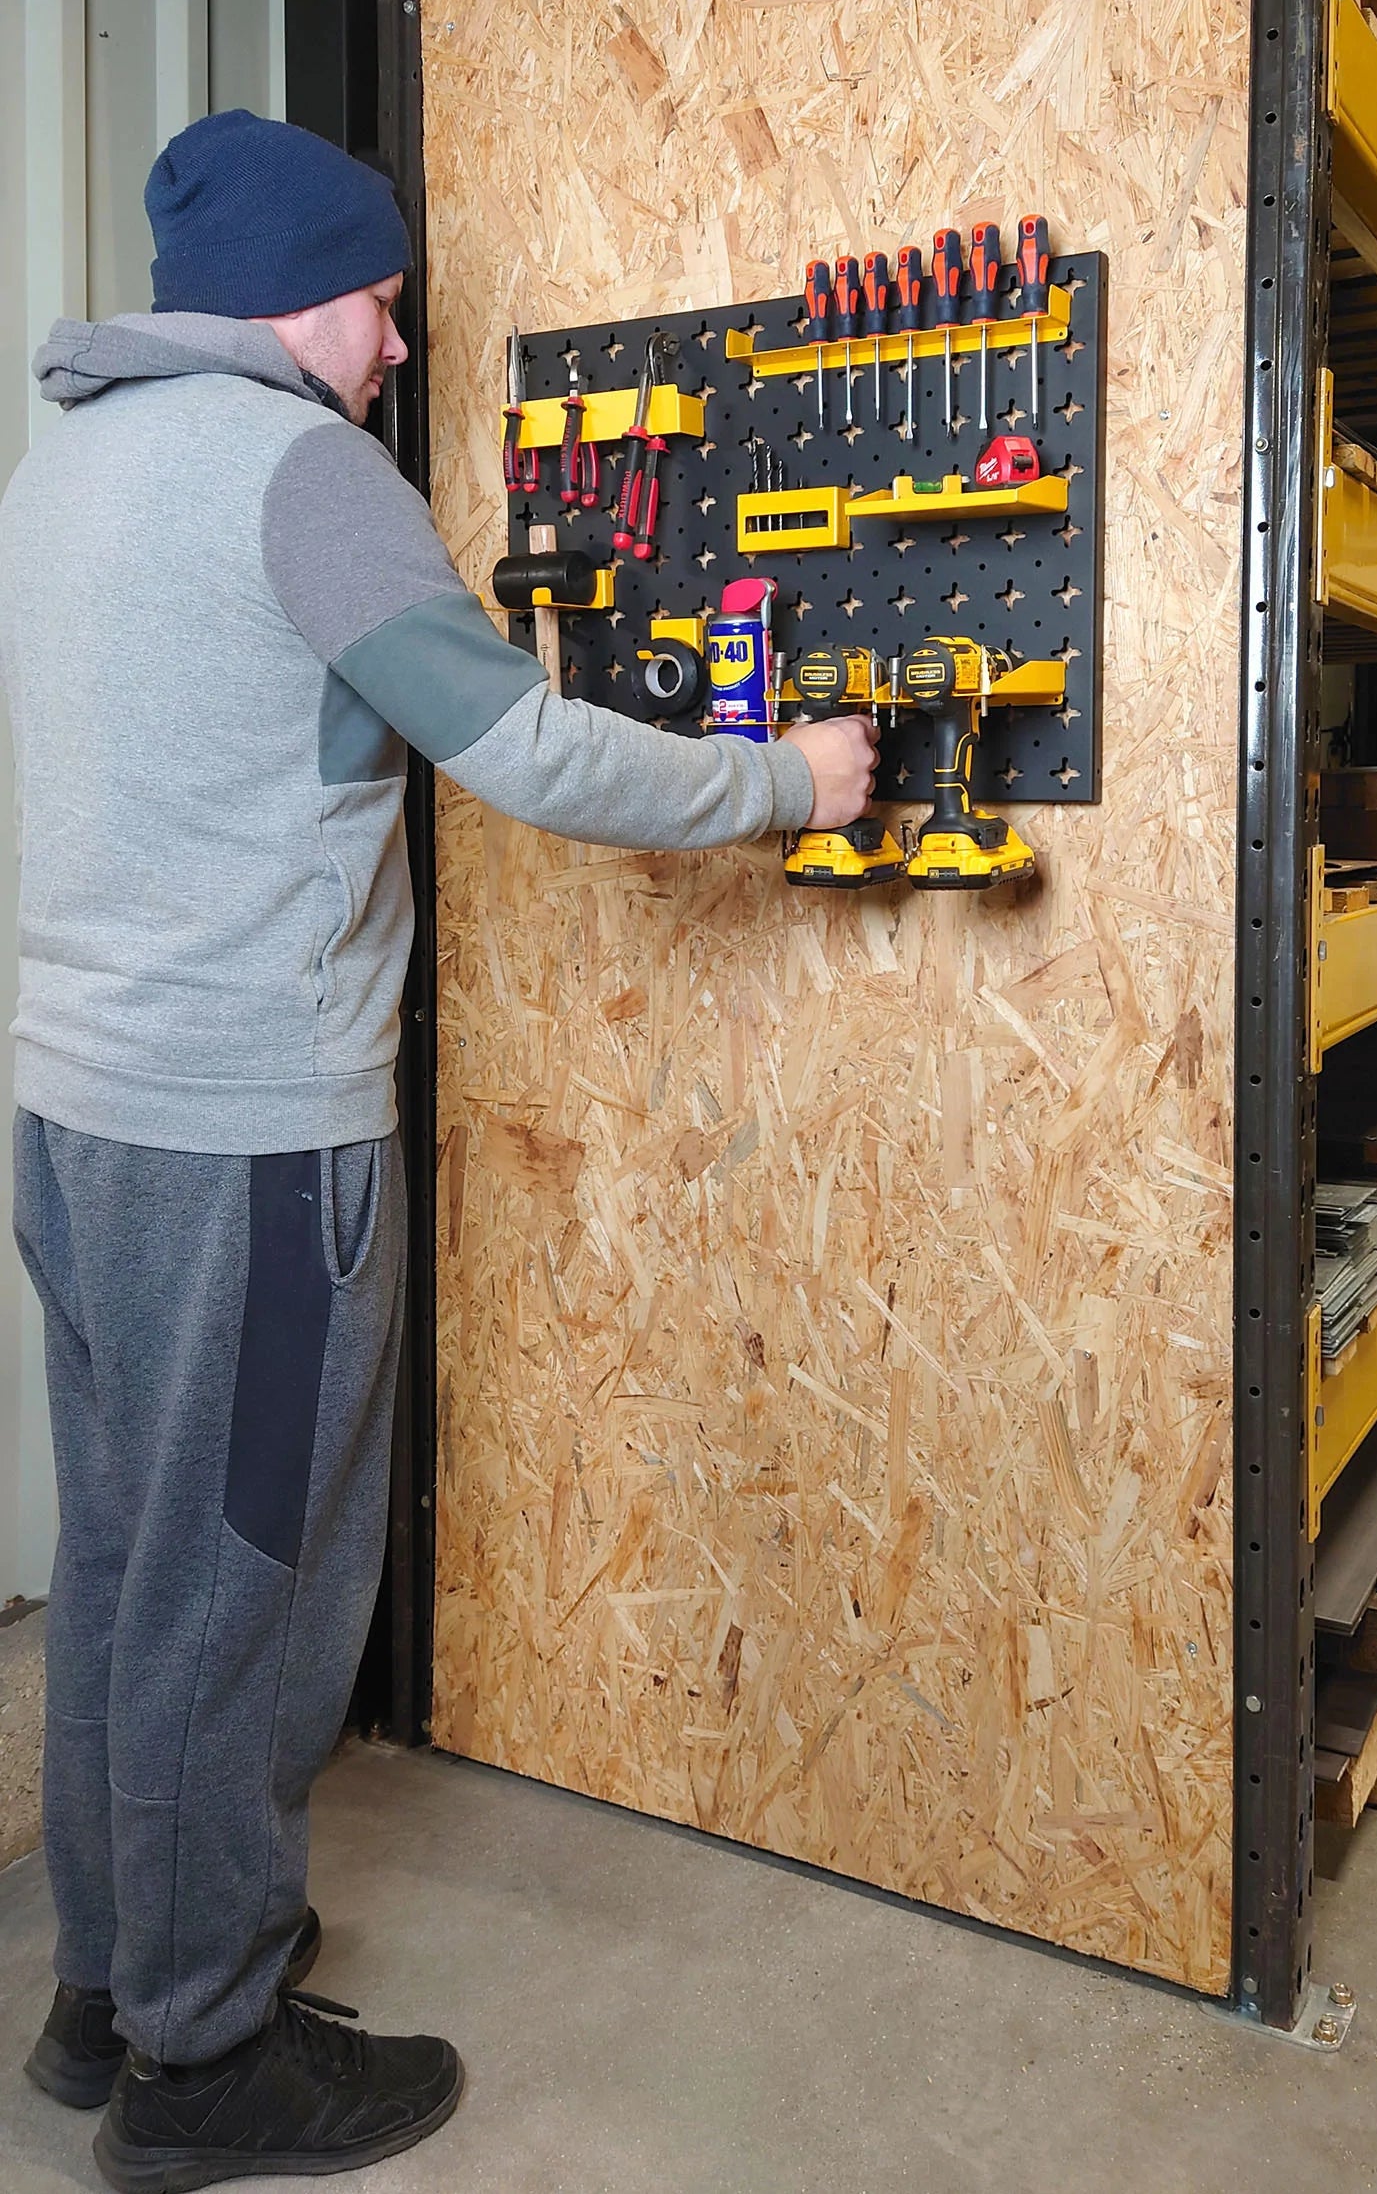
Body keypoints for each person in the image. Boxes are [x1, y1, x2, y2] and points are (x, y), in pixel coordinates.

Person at [0, 109, 877, 2192]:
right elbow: (522, 746)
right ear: (313, 292)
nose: (399, 341)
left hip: (71, 1111)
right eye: (386, 299)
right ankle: (203, 2078)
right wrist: (786, 780)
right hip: (243, 1146)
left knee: (128, 1561)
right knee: (239, 1594)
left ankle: (111, 1991)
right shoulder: (312, 476)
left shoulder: (61, 467)